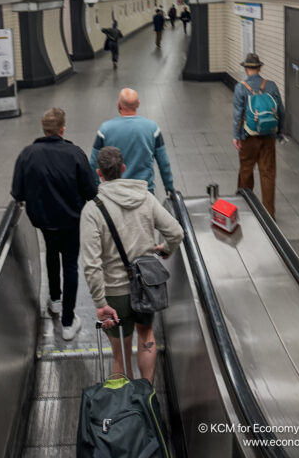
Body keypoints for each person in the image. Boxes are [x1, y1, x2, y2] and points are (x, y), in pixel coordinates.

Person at [80, 146, 184, 382]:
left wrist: (99, 301)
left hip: (114, 294)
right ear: (123, 169)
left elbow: (91, 263)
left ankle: (125, 406)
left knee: (119, 353)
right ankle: (147, 394)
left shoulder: (92, 210)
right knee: (146, 335)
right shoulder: (145, 197)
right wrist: (166, 250)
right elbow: (176, 232)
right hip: (145, 286)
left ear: (99, 173)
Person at [11, 107, 97, 339]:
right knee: (70, 263)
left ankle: (55, 300)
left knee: (51, 253)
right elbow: (91, 191)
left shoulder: (27, 154)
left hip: (44, 221)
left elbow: (17, 193)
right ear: (62, 128)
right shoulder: (74, 153)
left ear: (44, 128)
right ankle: (68, 322)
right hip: (71, 221)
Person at [90, 87, 175, 195]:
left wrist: (97, 188)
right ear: (138, 104)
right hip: (144, 193)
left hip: (115, 193)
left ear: (119, 105)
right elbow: (164, 162)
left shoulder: (105, 130)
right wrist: (169, 186)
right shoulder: (153, 128)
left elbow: (93, 163)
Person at [232, 53, 285, 219]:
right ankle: (269, 214)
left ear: (246, 69)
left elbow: (238, 115)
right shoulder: (271, 86)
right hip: (268, 136)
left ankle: (246, 207)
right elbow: (281, 111)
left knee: (246, 170)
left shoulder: (241, 88)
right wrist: (279, 132)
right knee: (268, 173)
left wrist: (236, 136)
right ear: (259, 68)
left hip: (249, 136)